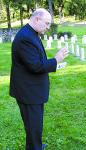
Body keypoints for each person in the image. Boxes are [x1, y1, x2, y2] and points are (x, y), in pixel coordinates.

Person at [9, 8, 68, 150]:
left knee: (34, 124)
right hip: (28, 92)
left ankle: (35, 145)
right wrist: (56, 60)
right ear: (36, 19)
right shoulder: (25, 38)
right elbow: (35, 66)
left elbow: (36, 60)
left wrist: (54, 61)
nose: (48, 27)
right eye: (47, 24)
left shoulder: (31, 33)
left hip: (32, 90)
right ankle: (35, 147)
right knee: (33, 125)